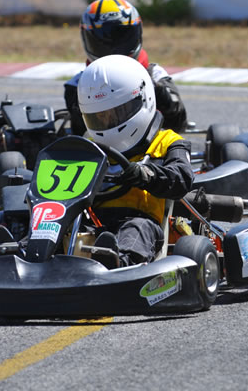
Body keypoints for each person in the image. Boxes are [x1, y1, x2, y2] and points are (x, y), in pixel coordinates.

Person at [77, 54, 194, 268]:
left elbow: (182, 179)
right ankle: (22, 251)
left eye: (115, 114)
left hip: (142, 221)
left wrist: (147, 175)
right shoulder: (87, 144)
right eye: (99, 117)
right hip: (91, 221)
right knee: (61, 224)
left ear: (143, 99)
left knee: (136, 229)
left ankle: (119, 264)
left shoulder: (167, 142)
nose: (107, 122)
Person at [65, 0, 188, 136]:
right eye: (104, 41)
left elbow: (178, 121)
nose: (114, 49)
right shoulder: (77, 85)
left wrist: (154, 89)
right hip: (96, 148)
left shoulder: (154, 74)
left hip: (149, 148)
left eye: (121, 38)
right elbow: (79, 129)